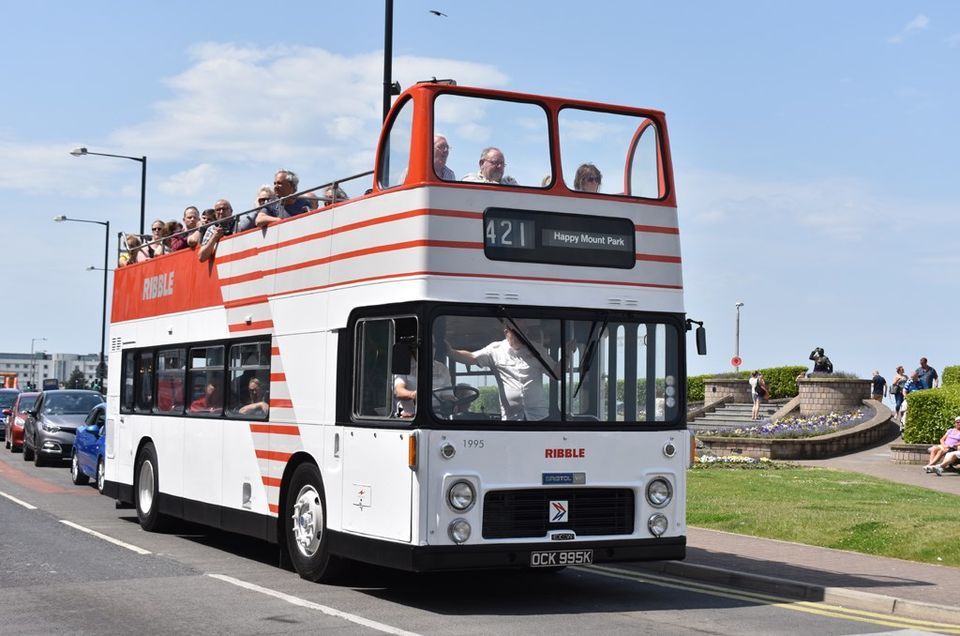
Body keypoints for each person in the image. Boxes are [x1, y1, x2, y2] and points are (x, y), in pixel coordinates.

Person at [447, 323, 556, 421]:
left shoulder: (537, 350)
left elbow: (556, 374)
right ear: (506, 332)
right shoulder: (495, 350)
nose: (520, 335)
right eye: (516, 332)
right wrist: (450, 352)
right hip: (511, 418)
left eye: (523, 331)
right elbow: (472, 357)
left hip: (539, 417)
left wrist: (565, 355)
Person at [393, 346, 453, 418]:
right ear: (415, 348)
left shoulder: (442, 368)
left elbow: (447, 395)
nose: (431, 349)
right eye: (429, 345)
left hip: (436, 418)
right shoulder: (403, 365)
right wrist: (413, 395)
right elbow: (398, 391)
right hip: (409, 418)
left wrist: (453, 402)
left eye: (434, 345)